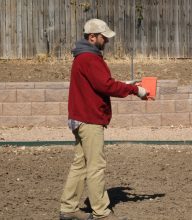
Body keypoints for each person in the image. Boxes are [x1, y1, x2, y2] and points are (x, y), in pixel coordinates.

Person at [59, 18, 148, 220]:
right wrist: (135, 90)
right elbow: (105, 86)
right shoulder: (90, 58)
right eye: (103, 37)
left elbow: (99, 84)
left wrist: (124, 83)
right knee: (96, 167)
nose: (106, 41)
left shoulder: (82, 57)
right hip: (90, 119)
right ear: (92, 37)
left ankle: (68, 208)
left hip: (80, 117)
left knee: (80, 164)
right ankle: (101, 213)